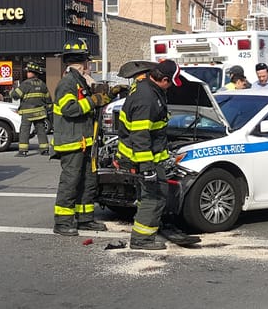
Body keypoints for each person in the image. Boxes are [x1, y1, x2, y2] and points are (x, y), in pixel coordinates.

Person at [116, 60, 182, 250]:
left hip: (144, 156)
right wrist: (147, 168)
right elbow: (140, 135)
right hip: (142, 158)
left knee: (148, 196)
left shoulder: (146, 87)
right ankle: (142, 240)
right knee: (154, 197)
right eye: (171, 83)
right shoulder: (147, 99)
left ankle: (146, 232)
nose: (171, 88)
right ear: (164, 79)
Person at [52, 39, 114, 236]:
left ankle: (85, 218)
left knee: (88, 181)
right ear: (83, 63)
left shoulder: (79, 81)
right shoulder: (67, 83)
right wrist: (93, 100)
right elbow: (69, 110)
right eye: (88, 63)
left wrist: (107, 95)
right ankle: (62, 222)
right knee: (70, 183)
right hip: (72, 143)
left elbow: (91, 104)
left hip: (85, 142)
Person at [10, 62, 52, 157]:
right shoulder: (42, 84)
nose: (27, 73)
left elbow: (15, 96)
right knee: (41, 131)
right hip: (40, 113)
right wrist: (48, 110)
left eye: (28, 71)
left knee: (24, 131)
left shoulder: (25, 84)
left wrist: (13, 89)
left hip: (28, 114)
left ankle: (23, 151)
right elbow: (48, 100)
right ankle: (45, 150)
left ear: (32, 72)